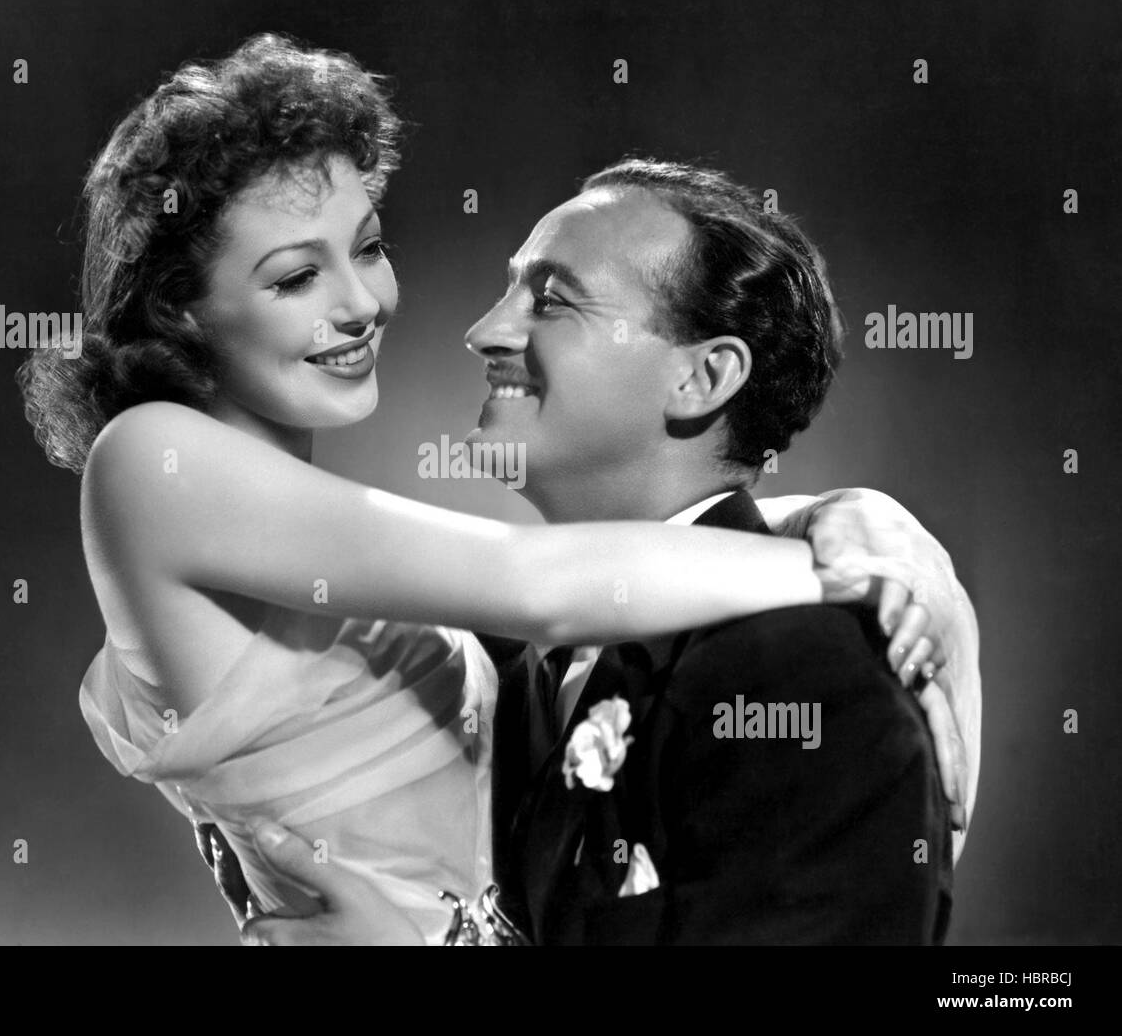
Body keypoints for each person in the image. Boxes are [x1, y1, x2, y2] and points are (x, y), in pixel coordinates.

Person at [20, 34, 971, 945]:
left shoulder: (794, 674)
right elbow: (534, 581)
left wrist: (862, 529)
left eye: (370, 248)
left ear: (703, 376)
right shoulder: (151, 462)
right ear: (182, 308)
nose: (368, 305)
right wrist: (851, 571)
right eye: (298, 275)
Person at [211, 159, 979, 945]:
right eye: (509, 290)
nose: (484, 332)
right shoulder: (479, 671)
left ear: (703, 376)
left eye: (550, 299)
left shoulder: (805, 674)